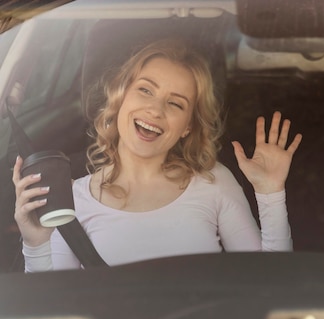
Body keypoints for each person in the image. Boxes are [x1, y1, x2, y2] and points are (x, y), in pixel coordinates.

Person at [13, 38, 302, 272]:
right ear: (120, 97)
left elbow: (271, 280)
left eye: (175, 104)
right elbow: (53, 303)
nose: (156, 110)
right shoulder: (73, 198)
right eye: (145, 90)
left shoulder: (214, 183)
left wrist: (270, 193)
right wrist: (36, 242)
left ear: (188, 127)